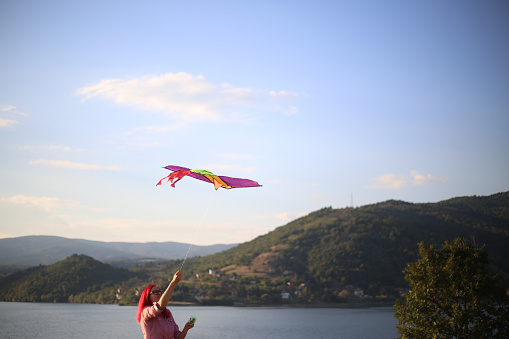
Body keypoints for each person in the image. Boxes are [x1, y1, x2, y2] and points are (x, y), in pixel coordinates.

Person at [136, 270, 195, 339]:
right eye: (154, 292)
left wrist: (186, 328)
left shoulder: (168, 313)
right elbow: (159, 307)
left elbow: (178, 337)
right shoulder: (145, 312)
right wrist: (174, 282)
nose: (159, 293)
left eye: (160, 291)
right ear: (147, 297)